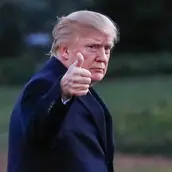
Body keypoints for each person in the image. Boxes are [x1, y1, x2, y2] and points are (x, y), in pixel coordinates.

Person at [7, 10, 119, 172]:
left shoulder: (82, 87)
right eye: (92, 47)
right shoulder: (44, 85)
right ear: (65, 51)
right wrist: (62, 94)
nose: (102, 57)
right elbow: (38, 134)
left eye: (107, 48)